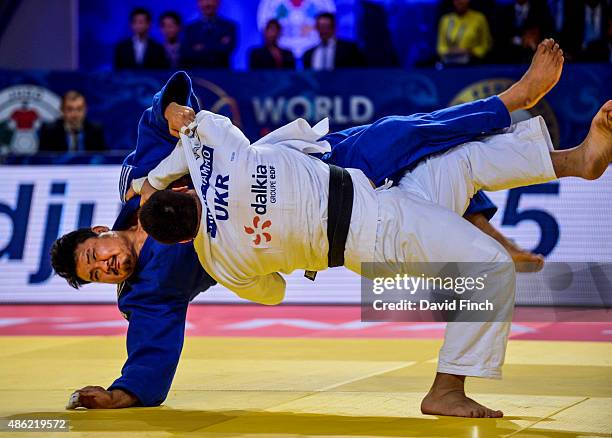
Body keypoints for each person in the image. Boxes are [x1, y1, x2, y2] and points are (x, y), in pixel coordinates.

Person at [53, 41, 571, 414]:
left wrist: (171, 110)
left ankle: (516, 114)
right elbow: (151, 347)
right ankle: (504, 225)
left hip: (313, 167)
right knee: (441, 177)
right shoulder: (147, 292)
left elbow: (167, 114)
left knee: (408, 133)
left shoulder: (135, 183)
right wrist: (123, 393)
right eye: (99, 274)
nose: (107, 265)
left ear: (101, 229)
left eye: (96, 254)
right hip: (311, 231)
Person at [138, 84, 610, 421]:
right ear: (186, 193)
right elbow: (194, 130)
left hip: (375, 208)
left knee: (461, 160)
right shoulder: (216, 156)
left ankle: (579, 161)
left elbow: (274, 293)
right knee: (488, 266)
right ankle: (448, 388)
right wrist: (154, 179)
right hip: (379, 229)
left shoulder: (220, 261)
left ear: (182, 239)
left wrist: (275, 245)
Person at [38, 91, 106, 153]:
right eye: (70, 109)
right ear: (62, 110)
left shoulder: (95, 130)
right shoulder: (50, 130)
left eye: (79, 109)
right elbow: (44, 161)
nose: (75, 114)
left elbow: (104, 158)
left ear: (85, 110)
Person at [180, 0, 237, 69]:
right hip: (197, 73)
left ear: (218, 2)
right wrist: (218, 44)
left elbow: (227, 49)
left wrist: (201, 47)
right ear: (198, 3)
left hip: (222, 73)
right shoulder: (190, 29)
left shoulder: (229, 26)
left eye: (211, 0)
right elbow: (188, 54)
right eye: (204, 0)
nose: (208, 4)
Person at [437, 0, 493, 65]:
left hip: (473, 62)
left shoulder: (479, 18)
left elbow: (485, 45)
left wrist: (470, 51)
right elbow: (440, 47)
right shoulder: (445, 20)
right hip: (449, 62)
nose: (460, 2)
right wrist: (450, 51)